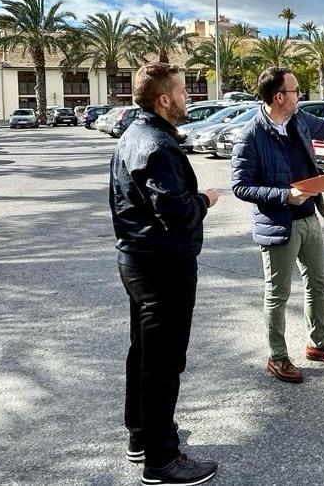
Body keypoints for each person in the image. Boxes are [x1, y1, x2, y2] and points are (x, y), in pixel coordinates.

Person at [109, 62, 220, 485]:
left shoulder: (131, 135)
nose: (187, 98)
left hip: (136, 261)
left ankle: (142, 435)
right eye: (182, 92)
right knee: (163, 362)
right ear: (163, 99)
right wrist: (204, 200)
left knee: (143, 353)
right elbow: (174, 212)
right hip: (162, 267)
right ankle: (161, 461)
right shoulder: (157, 145)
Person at [230, 67, 324, 383]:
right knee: (277, 294)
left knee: (318, 284)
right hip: (279, 225)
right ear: (279, 97)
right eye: (295, 91)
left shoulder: (299, 119)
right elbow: (240, 185)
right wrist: (282, 195)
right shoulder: (251, 135)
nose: (300, 95)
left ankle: (318, 345)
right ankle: (277, 356)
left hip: (309, 218)